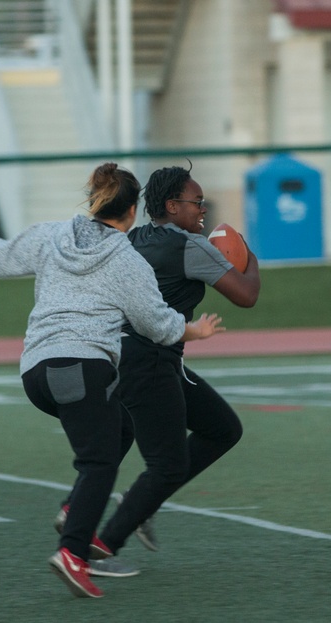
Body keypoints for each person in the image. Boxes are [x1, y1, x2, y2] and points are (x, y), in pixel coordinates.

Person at [0, 162, 223, 598]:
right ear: (132, 210)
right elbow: (156, 324)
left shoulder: (51, 235)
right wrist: (196, 330)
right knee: (98, 463)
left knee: (122, 429)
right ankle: (73, 553)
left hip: (37, 371)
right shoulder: (125, 260)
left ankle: (75, 508)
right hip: (81, 369)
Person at [94, 163, 261, 560]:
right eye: (196, 203)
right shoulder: (190, 245)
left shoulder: (134, 239)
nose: (203, 210)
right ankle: (97, 546)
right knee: (165, 465)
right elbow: (246, 295)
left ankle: (112, 511)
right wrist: (249, 257)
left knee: (221, 429)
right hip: (149, 360)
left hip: (123, 355)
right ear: (172, 205)